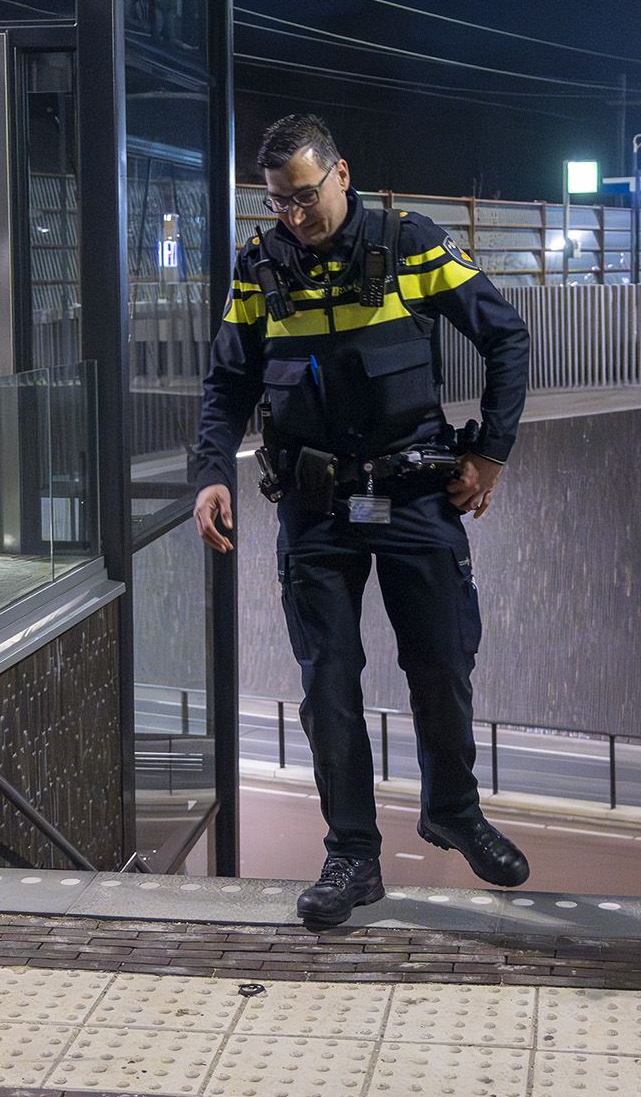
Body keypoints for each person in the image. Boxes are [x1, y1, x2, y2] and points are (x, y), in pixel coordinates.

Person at [192, 113, 533, 928]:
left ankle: (452, 809)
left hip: (415, 495)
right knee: (328, 684)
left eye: (305, 195)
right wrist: (210, 474)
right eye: (279, 202)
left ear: (341, 174)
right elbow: (227, 384)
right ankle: (352, 854)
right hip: (315, 510)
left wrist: (491, 453)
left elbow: (508, 338)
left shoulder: (412, 244)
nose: (294, 215)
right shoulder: (258, 266)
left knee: (442, 661)